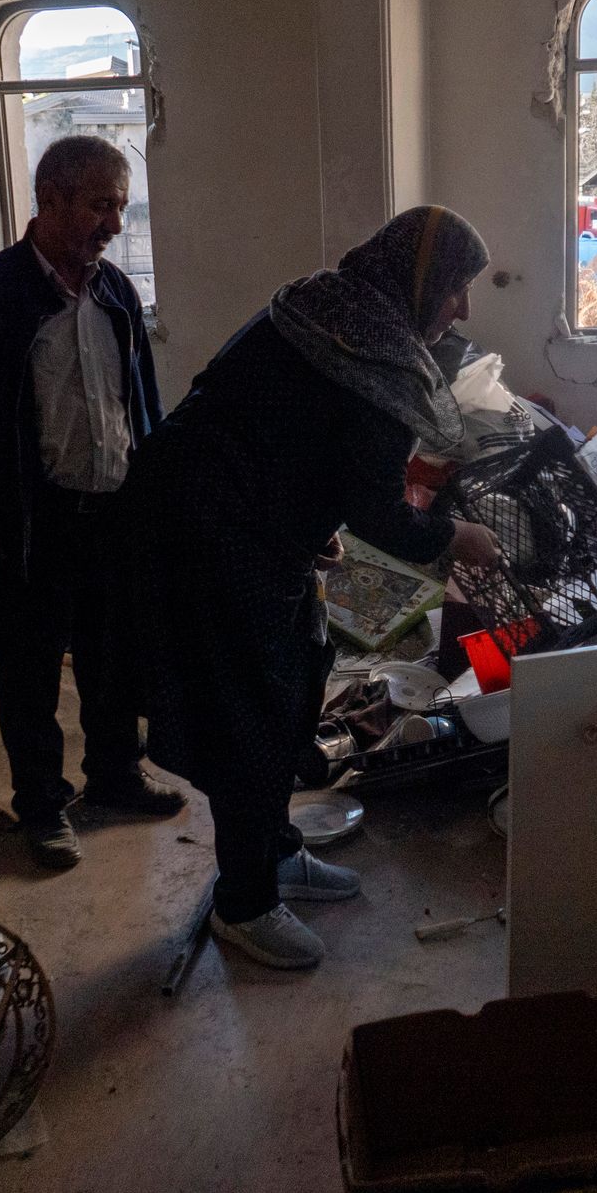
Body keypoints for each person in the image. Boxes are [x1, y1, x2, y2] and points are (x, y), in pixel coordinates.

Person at [123, 206, 503, 970]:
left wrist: (305, 519)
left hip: (232, 519)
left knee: (295, 688)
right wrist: (456, 537)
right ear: (420, 280)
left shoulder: (329, 304)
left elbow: (286, 429)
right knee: (251, 716)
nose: (463, 307)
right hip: (206, 537)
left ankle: (275, 853)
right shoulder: (372, 351)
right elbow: (378, 511)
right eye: (456, 286)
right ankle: (244, 904)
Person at [0, 135, 187, 871]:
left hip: (113, 511)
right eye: (102, 205)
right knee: (30, 670)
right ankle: (42, 807)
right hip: (31, 521)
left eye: (121, 206)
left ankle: (115, 775)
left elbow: (143, 407)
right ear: (50, 199)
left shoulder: (116, 294)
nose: (115, 224)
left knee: (114, 657)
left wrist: (154, 498)